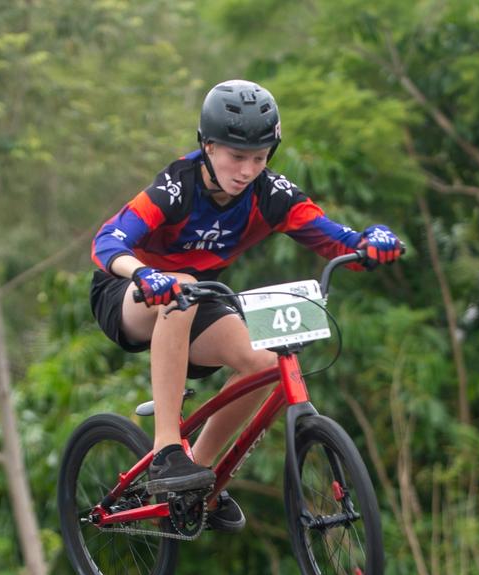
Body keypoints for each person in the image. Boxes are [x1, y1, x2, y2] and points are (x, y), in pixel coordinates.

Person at [89, 79, 403, 532]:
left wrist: (369, 244)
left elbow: (334, 239)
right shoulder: (176, 188)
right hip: (129, 293)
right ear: (208, 146)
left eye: (258, 159)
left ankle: (204, 477)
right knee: (179, 285)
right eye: (236, 157)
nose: (246, 170)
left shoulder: (270, 195)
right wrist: (141, 273)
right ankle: (166, 452)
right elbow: (108, 240)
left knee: (262, 362)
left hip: (196, 298)